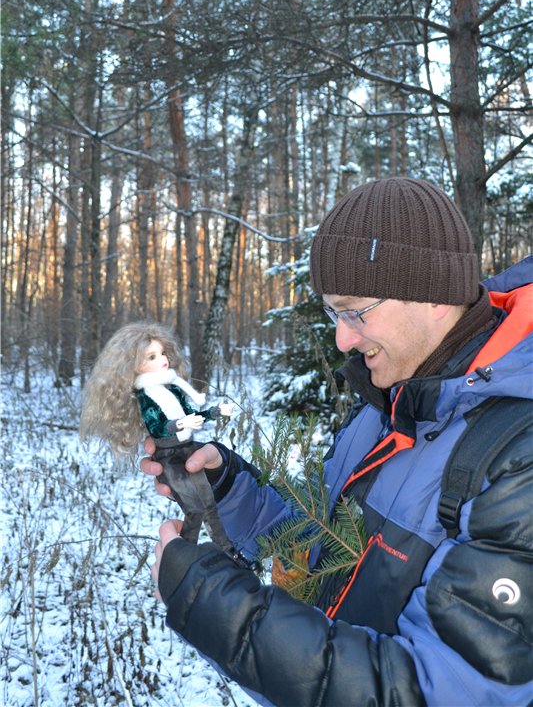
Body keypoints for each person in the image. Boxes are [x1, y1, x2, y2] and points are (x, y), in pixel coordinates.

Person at [143, 178, 533, 706]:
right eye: (333, 312)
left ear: (435, 296)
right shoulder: (394, 399)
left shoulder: (518, 455)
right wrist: (228, 487)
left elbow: (437, 690)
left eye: (356, 311)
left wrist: (210, 602)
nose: (342, 339)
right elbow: (320, 543)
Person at [80, 322, 234, 542]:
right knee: (194, 508)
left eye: (162, 353)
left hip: (189, 449)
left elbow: (192, 415)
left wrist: (215, 412)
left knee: (209, 505)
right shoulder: (146, 396)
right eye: (151, 357)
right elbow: (158, 426)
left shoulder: (172, 388)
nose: (163, 359)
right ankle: (187, 551)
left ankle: (227, 548)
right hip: (169, 458)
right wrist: (180, 424)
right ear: (132, 366)